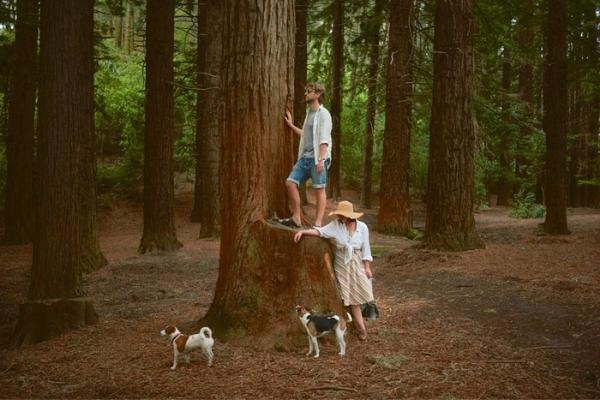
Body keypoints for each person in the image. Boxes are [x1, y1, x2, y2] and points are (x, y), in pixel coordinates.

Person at [293, 200, 374, 340]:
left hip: (357, 262)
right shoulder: (335, 226)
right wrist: (303, 231)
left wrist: (367, 267)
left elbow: (366, 249)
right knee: (350, 298)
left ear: (350, 216)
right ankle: (361, 328)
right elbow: (320, 231)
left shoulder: (362, 227)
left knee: (363, 293)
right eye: (340, 215)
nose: (340, 217)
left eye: (343, 215)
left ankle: (362, 319)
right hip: (342, 264)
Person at [280, 82, 332, 228]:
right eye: (306, 91)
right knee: (290, 183)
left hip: (318, 158)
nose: (306, 94)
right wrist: (291, 126)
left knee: (319, 188)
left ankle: (318, 224)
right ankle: (296, 218)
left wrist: (321, 159)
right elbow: (306, 135)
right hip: (305, 158)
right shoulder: (309, 114)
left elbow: (324, 139)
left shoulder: (324, 114)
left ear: (318, 94)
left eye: (309, 91)